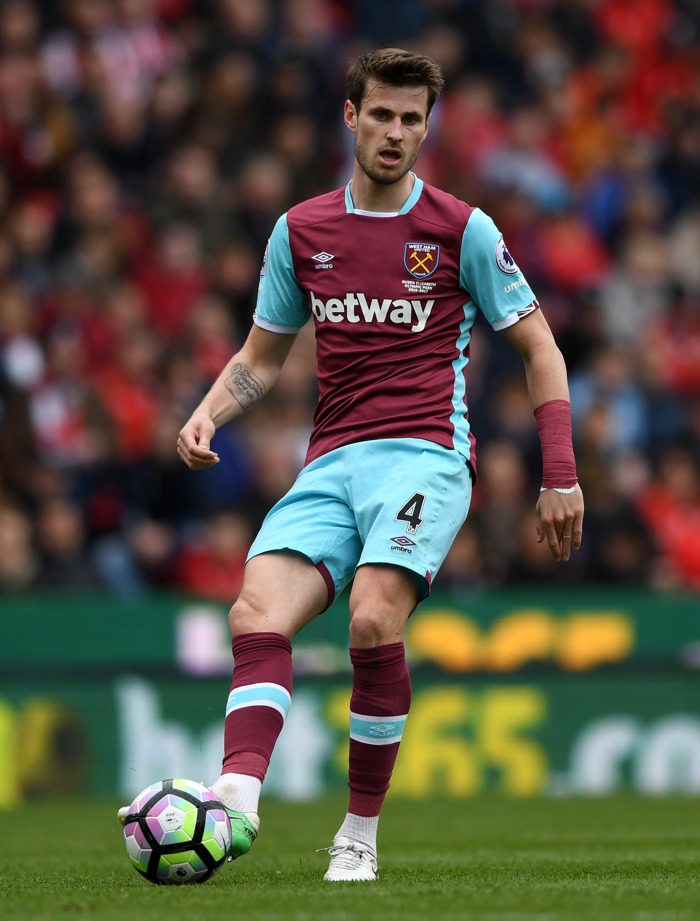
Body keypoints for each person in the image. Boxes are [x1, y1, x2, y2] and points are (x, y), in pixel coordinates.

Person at [121, 47, 584, 882]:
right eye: (382, 115)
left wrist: (560, 474)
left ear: (425, 128)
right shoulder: (302, 231)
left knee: (373, 616)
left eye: (412, 119)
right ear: (351, 116)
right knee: (254, 612)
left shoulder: (461, 230)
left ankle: (358, 835)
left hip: (425, 456)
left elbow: (541, 350)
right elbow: (262, 357)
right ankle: (236, 798)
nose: (396, 132)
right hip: (331, 461)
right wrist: (208, 410)